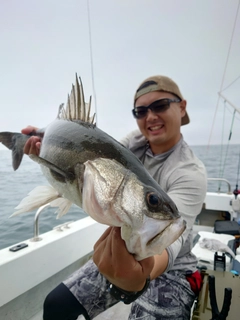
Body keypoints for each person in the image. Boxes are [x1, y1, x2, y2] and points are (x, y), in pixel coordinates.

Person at [22, 75, 207, 320]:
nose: (150, 117)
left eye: (160, 105)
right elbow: (99, 165)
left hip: (172, 268)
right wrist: (45, 144)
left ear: (182, 107)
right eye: (140, 111)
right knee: (56, 304)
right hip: (124, 251)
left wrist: (141, 275)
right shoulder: (134, 141)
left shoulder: (190, 172)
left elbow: (172, 242)